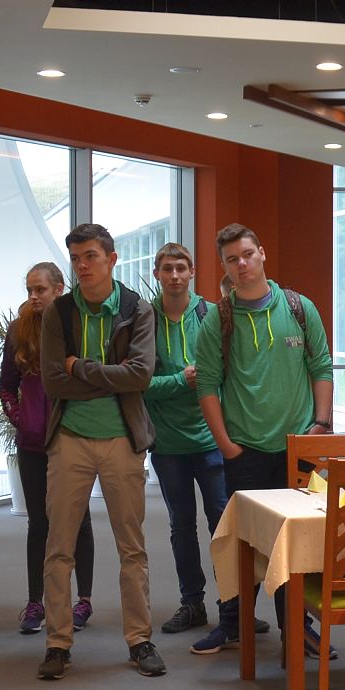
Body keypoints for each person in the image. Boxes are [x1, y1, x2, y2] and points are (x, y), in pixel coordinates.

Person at [194, 222, 335, 658]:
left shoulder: (298, 307)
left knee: (299, 542)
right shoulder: (217, 320)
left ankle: (297, 629)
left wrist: (321, 423)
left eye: (247, 254)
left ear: (262, 254)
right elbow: (207, 387)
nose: (242, 264)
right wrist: (226, 445)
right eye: (232, 259)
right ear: (224, 267)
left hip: (297, 448)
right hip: (246, 451)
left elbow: (321, 366)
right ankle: (233, 624)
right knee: (245, 544)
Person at [37, 223, 162, 682]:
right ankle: (57, 643)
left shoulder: (136, 309)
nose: (82, 266)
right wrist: (109, 377)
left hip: (121, 441)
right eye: (75, 258)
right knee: (59, 547)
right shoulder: (59, 312)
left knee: (132, 547)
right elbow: (54, 381)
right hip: (69, 439)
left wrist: (82, 368)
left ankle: (139, 639)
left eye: (90, 256)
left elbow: (140, 375)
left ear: (111, 259)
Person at [143, 243, 260, 655]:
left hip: (212, 439)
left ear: (192, 271)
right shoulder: (144, 320)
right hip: (167, 444)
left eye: (181, 268)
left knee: (222, 527)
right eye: (167, 268)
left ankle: (233, 608)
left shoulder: (212, 314)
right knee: (181, 526)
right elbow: (138, 382)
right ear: (157, 274)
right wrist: (180, 381)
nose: (174, 275)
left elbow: (230, 372)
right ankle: (192, 603)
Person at [0, 261, 97, 637]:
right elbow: (6, 385)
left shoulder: (78, 327)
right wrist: (20, 417)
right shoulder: (18, 330)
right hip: (32, 442)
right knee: (38, 523)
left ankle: (83, 600)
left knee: (79, 520)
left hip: (72, 439)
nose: (33, 297)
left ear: (59, 289)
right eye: (29, 290)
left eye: (40, 289)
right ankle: (35, 601)